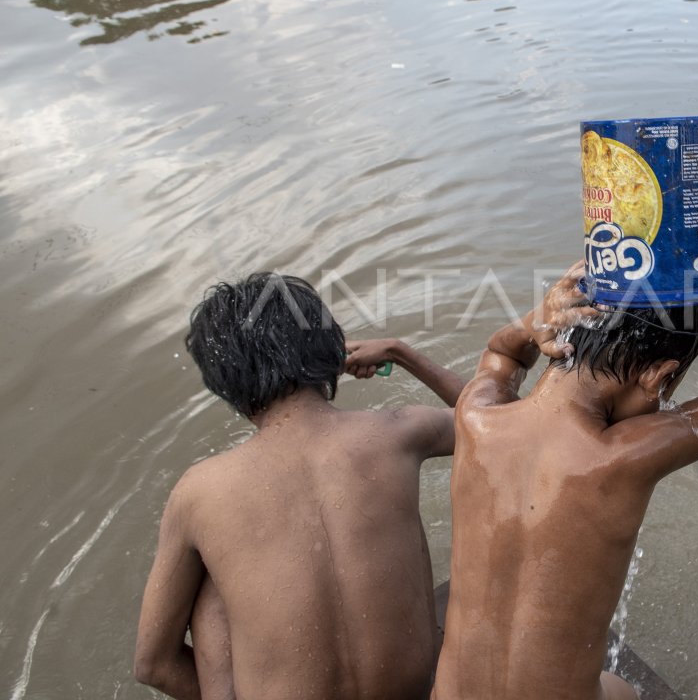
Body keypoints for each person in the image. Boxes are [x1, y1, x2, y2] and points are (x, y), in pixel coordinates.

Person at [432, 254, 698, 700]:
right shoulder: (619, 459)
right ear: (659, 377)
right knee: (622, 690)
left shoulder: (476, 416)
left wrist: (541, 316)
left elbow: (502, 351)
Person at [134, 273, 465, 700]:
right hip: (419, 691)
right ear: (330, 350)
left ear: (223, 382)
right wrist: (403, 353)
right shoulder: (398, 432)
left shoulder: (199, 492)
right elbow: (504, 426)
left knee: (209, 579)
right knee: (465, 588)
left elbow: (152, 664)